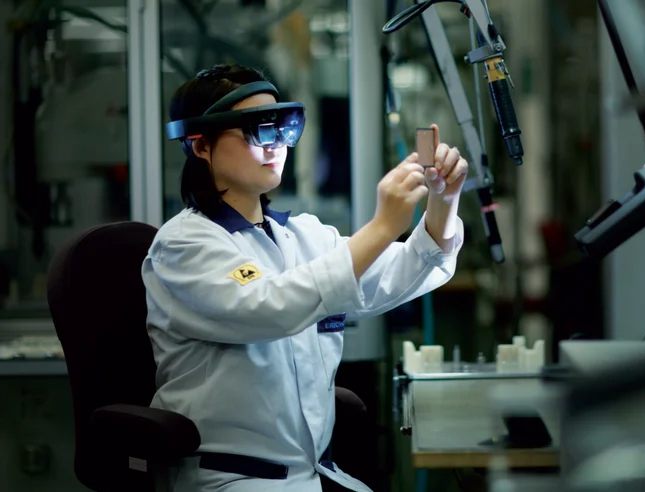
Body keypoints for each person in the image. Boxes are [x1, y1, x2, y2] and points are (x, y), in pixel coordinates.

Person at [141, 63, 467, 492]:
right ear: (200, 145)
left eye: (282, 129)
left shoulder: (304, 236)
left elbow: (404, 269)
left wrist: (444, 201)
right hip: (230, 480)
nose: (276, 145)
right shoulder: (183, 245)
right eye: (257, 130)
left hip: (312, 476)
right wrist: (383, 225)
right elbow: (269, 306)